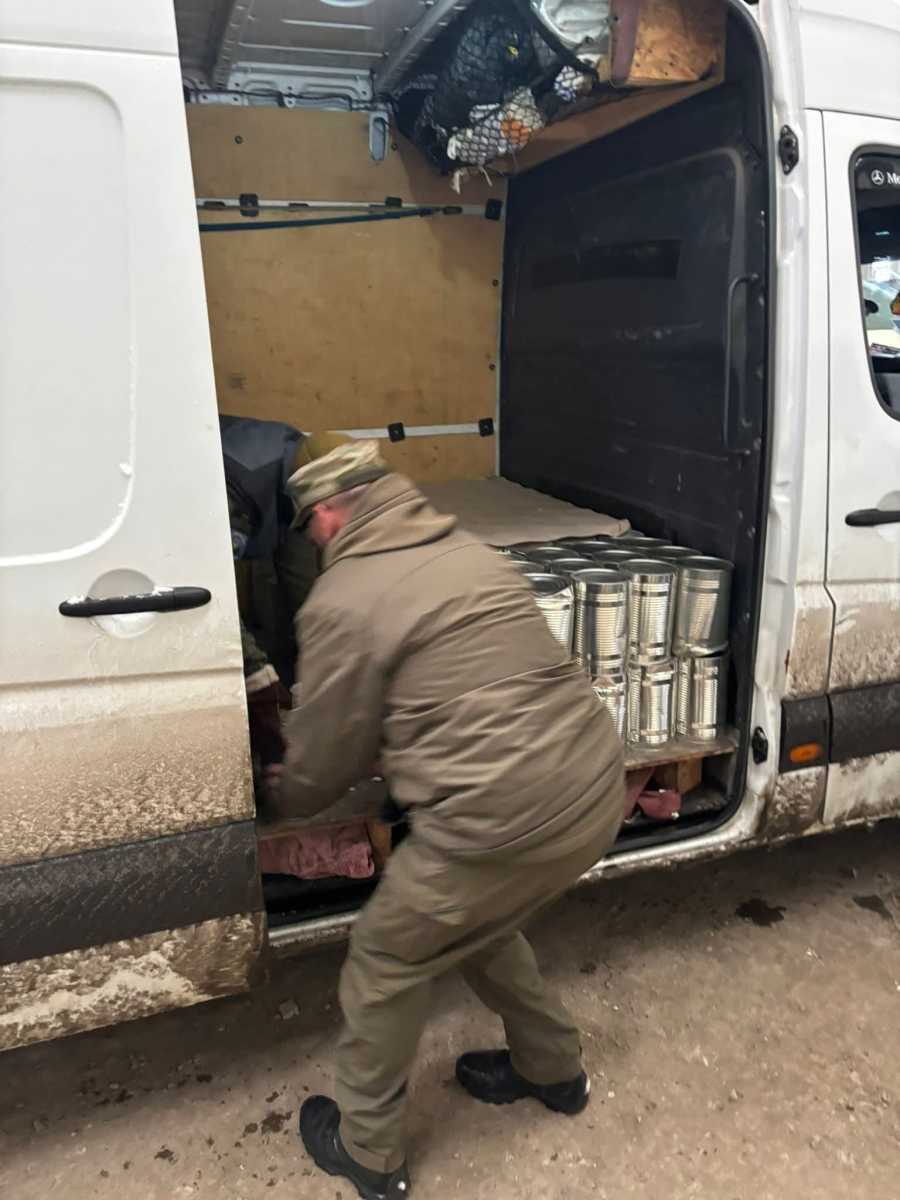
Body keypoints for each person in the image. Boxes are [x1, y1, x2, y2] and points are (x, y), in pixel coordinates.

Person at [267, 440, 624, 1200]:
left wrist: (276, 797)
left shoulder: (342, 599)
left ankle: (368, 1151)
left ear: (326, 515)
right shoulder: (469, 552)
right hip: (593, 789)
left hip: (498, 821)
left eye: (310, 528)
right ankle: (553, 1071)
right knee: (480, 923)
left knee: (385, 961)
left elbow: (325, 762)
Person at [220, 415, 349, 767]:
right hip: (235, 488)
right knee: (252, 664)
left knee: (306, 596)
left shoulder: (308, 459)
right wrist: (258, 676)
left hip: (276, 491)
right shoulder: (232, 490)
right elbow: (213, 597)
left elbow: (307, 588)